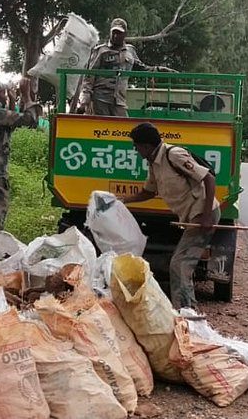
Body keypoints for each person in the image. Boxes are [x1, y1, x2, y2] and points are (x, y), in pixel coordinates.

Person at [119, 122, 219, 309]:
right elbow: (149, 192)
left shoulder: (173, 155)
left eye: (136, 145)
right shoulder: (153, 163)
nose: (135, 149)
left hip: (203, 213)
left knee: (180, 265)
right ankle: (187, 311)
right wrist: (122, 201)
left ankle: (187, 313)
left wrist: (206, 216)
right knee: (181, 265)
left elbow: (208, 178)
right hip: (192, 216)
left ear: (146, 145)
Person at [0, 77, 42, 242]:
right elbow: (30, 121)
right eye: (3, 93)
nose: (5, 95)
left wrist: (11, 100)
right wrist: (26, 96)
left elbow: (9, 125)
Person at [78, 17, 174, 116]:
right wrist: (85, 97)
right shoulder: (101, 51)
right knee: (102, 128)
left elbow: (142, 68)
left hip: (119, 100)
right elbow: (89, 75)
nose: (115, 35)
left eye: (119, 33)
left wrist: (158, 70)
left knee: (122, 128)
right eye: (114, 32)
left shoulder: (130, 51)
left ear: (125, 34)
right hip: (101, 99)